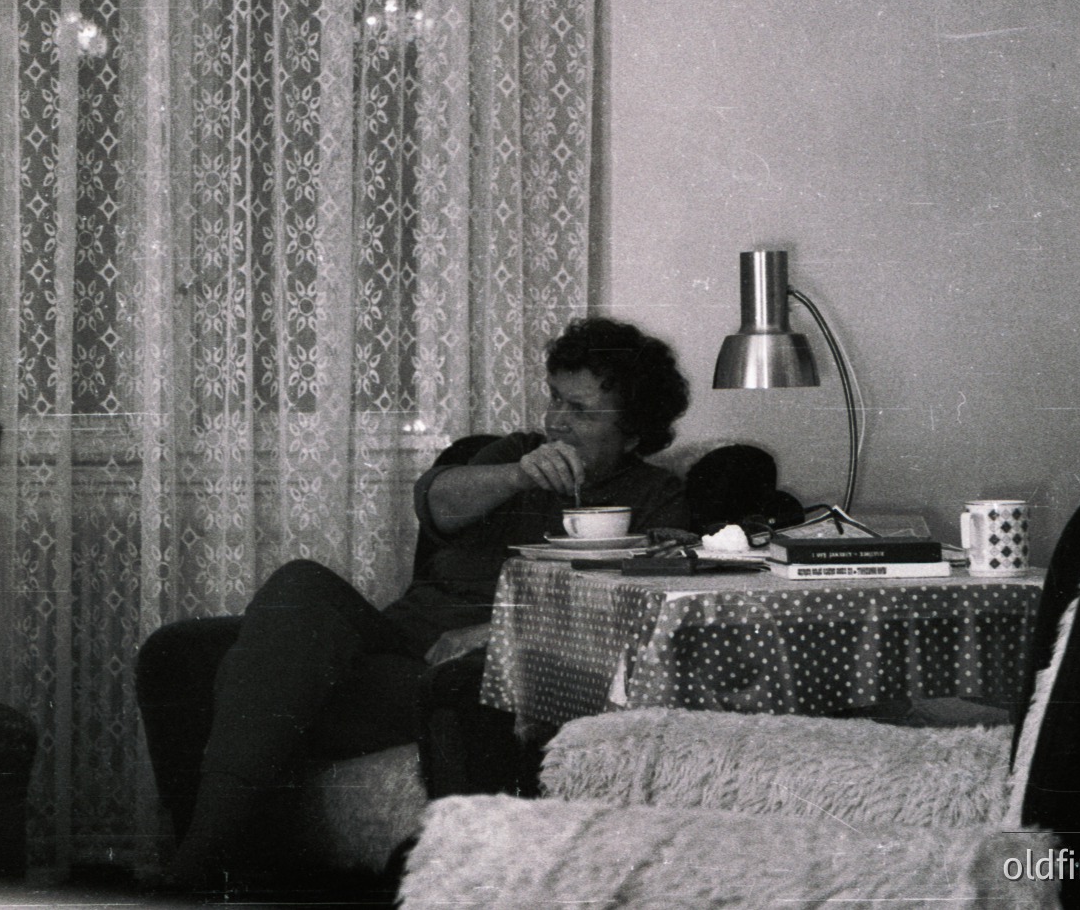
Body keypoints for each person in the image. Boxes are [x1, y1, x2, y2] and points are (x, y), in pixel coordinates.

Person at [160, 316, 691, 892]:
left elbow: (645, 615)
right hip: (392, 647)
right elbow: (435, 502)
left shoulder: (659, 501)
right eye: (555, 400)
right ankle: (221, 860)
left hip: (464, 679)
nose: (557, 422)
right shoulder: (515, 455)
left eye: (581, 412)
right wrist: (515, 475)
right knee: (286, 594)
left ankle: (204, 861)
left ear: (635, 432)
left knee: (259, 680)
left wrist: (499, 632)